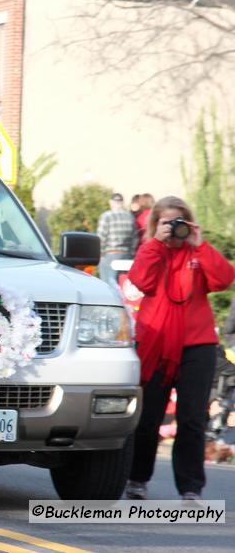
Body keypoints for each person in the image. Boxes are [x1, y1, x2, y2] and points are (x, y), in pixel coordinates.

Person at [124, 196, 235, 501]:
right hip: (156, 343)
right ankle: (137, 479)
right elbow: (141, 281)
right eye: (166, 222)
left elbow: (224, 279)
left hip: (197, 345)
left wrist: (200, 244)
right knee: (148, 418)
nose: (173, 229)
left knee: (191, 419)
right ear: (155, 224)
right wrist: (156, 244)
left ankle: (190, 488)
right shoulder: (151, 251)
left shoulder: (197, 253)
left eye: (178, 222)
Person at [96, 192, 138, 288]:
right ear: (122, 203)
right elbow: (135, 237)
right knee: (124, 286)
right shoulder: (130, 217)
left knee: (108, 286)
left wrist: (99, 253)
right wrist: (131, 253)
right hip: (127, 255)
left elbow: (100, 238)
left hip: (110, 255)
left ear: (111, 202)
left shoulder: (106, 216)